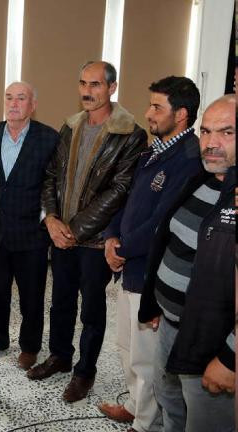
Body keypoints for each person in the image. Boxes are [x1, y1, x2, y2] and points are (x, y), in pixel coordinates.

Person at [31, 61, 147, 403]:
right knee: (60, 301)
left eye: (95, 84)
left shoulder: (130, 133)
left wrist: (74, 230)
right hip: (61, 235)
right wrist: (52, 220)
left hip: (96, 241)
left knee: (92, 311)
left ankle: (84, 372)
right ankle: (60, 356)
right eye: (83, 83)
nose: (87, 91)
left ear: (112, 87)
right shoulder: (71, 126)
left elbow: (120, 190)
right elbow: (51, 176)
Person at [98, 76, 203, 432]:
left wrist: (123, 249)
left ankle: (146, 424)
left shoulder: (188, 160)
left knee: (146, 357)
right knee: (127, 346)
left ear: (182, 114)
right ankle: (135, 405)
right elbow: (128, 201)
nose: (148, 113)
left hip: (149, 272)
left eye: (157, 107)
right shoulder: (153, 150)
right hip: (129, 265)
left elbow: (163, 221)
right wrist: (111, 237)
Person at [138, 94, 236, 432]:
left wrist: (230, 358)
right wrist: (156, 303)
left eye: (226, 132)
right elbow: (169, 243)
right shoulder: (200, 180)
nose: (211, 143)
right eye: (206, 132)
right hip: (171, 325)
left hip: (212, 343)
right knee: (170, 405)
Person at [0, 82, 58, 371]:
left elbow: (54, 185)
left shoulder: (49, 139)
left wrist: (48, 218)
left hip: (31, 235)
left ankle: (30, 346)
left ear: (32, 105)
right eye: (9, 97)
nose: (13, 104)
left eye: (21, 98)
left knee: (32, 297)